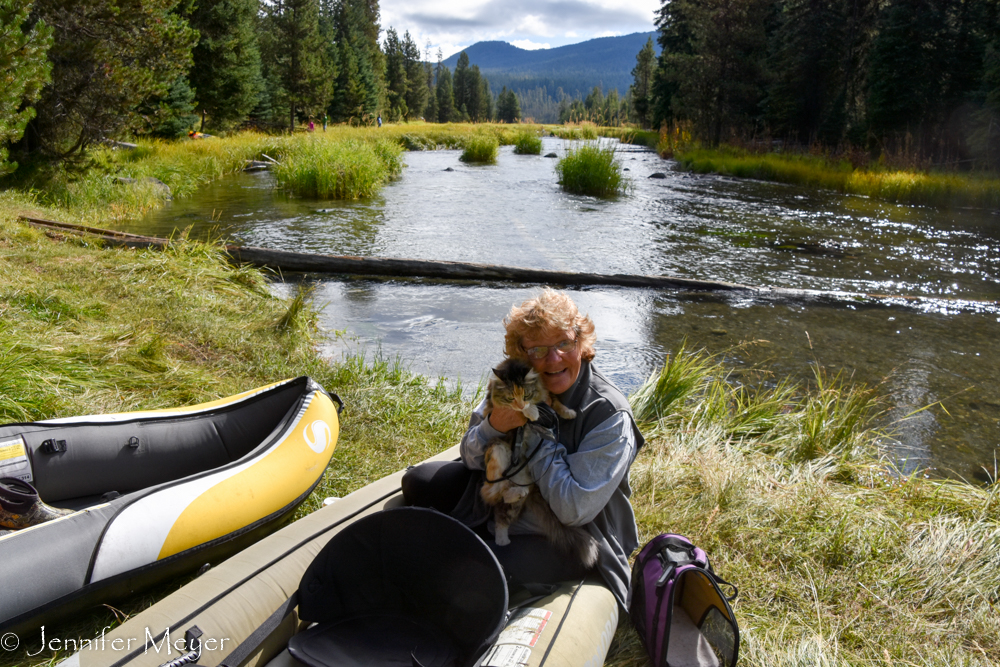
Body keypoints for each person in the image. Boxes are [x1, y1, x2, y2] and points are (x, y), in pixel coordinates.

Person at [401, 289, 644, 613]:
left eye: (563, 344)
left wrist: (533, 434)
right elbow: (471, 457)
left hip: (570, 536)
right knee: (419, 482)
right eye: (539, 349)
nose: (553, 359)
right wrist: (494, 427)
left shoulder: (609, 415)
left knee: (468, 569)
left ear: (580, 343)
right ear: (522, 353)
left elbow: (573, 509)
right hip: (504, 499)